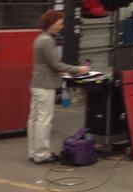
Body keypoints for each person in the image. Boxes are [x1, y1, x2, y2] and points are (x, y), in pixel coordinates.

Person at [28, 10, 89, 164]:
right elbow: (56, 65)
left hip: (37, 84)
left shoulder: (40, 38)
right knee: (44, 120)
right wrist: (78, 70)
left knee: (35, 119)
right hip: (45, 86)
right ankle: (42, 154)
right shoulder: (47, 40)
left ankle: (34, 152)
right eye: (60, 24)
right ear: (52, 23)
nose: (61, 27)